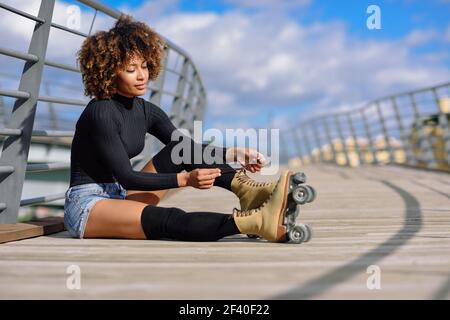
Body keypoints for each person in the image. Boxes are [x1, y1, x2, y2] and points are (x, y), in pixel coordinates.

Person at [64, 15, 293, 242]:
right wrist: (185, 180)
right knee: (167, 219)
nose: (142, 75)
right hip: (89, 205)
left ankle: (250, 193)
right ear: (109, 71)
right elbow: (127, 177)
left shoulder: (145, 110)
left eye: (144, 66)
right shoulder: (100, 113)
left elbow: (186, 149)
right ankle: (258, 222)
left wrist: (233, 153)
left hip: (120, 196)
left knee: (180, 149)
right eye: (131, 69)